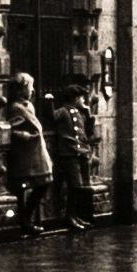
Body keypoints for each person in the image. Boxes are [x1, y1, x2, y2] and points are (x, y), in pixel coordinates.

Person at [7, 73, 53, 236]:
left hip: (36, 153)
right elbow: (10, 129)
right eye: (30, 87)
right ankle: (25, 221)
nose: (32, 90)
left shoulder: (29, 106)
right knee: (24, 187)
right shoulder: (16, 108)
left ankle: (26, 218)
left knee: (44, 183)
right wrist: (23, 135)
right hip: (25, 154)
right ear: (21, 90)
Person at [49, 83, 92, 233]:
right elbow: (52, 117)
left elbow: (88, 132)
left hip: (80, 153)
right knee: (75, 185)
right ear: (74, 99)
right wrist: (50, 102)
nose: (83, 101)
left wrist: (89, 113)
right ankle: (69, 216)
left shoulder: (80, 113)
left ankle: (74, 215)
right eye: (81, 98)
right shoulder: (63, 111)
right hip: (68, 154)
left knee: (80, 186)